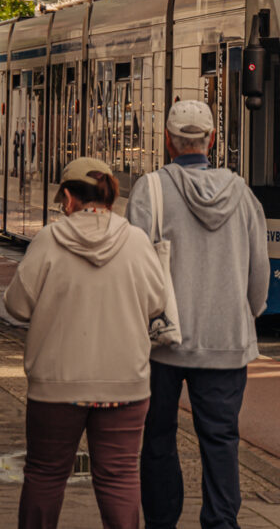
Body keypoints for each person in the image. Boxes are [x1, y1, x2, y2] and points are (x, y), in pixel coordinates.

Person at [126, 100, 269, 529]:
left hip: (162, 341)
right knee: (222, 438)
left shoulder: (150, 190)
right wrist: (246, 314)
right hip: (225, 340)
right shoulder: (243, 194)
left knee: (157, 439)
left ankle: (162, 521)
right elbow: (258, 270)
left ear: (168, 141)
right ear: (211, 141)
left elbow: (135, 266)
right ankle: (221, 522)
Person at [4, 158, 165, 529]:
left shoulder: (48, 240)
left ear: (68, 197)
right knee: (120, 476)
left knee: (45, 474)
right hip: (125, 383)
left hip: (57, 384)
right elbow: (157, 303)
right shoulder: (137, 242)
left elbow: (15, 306)